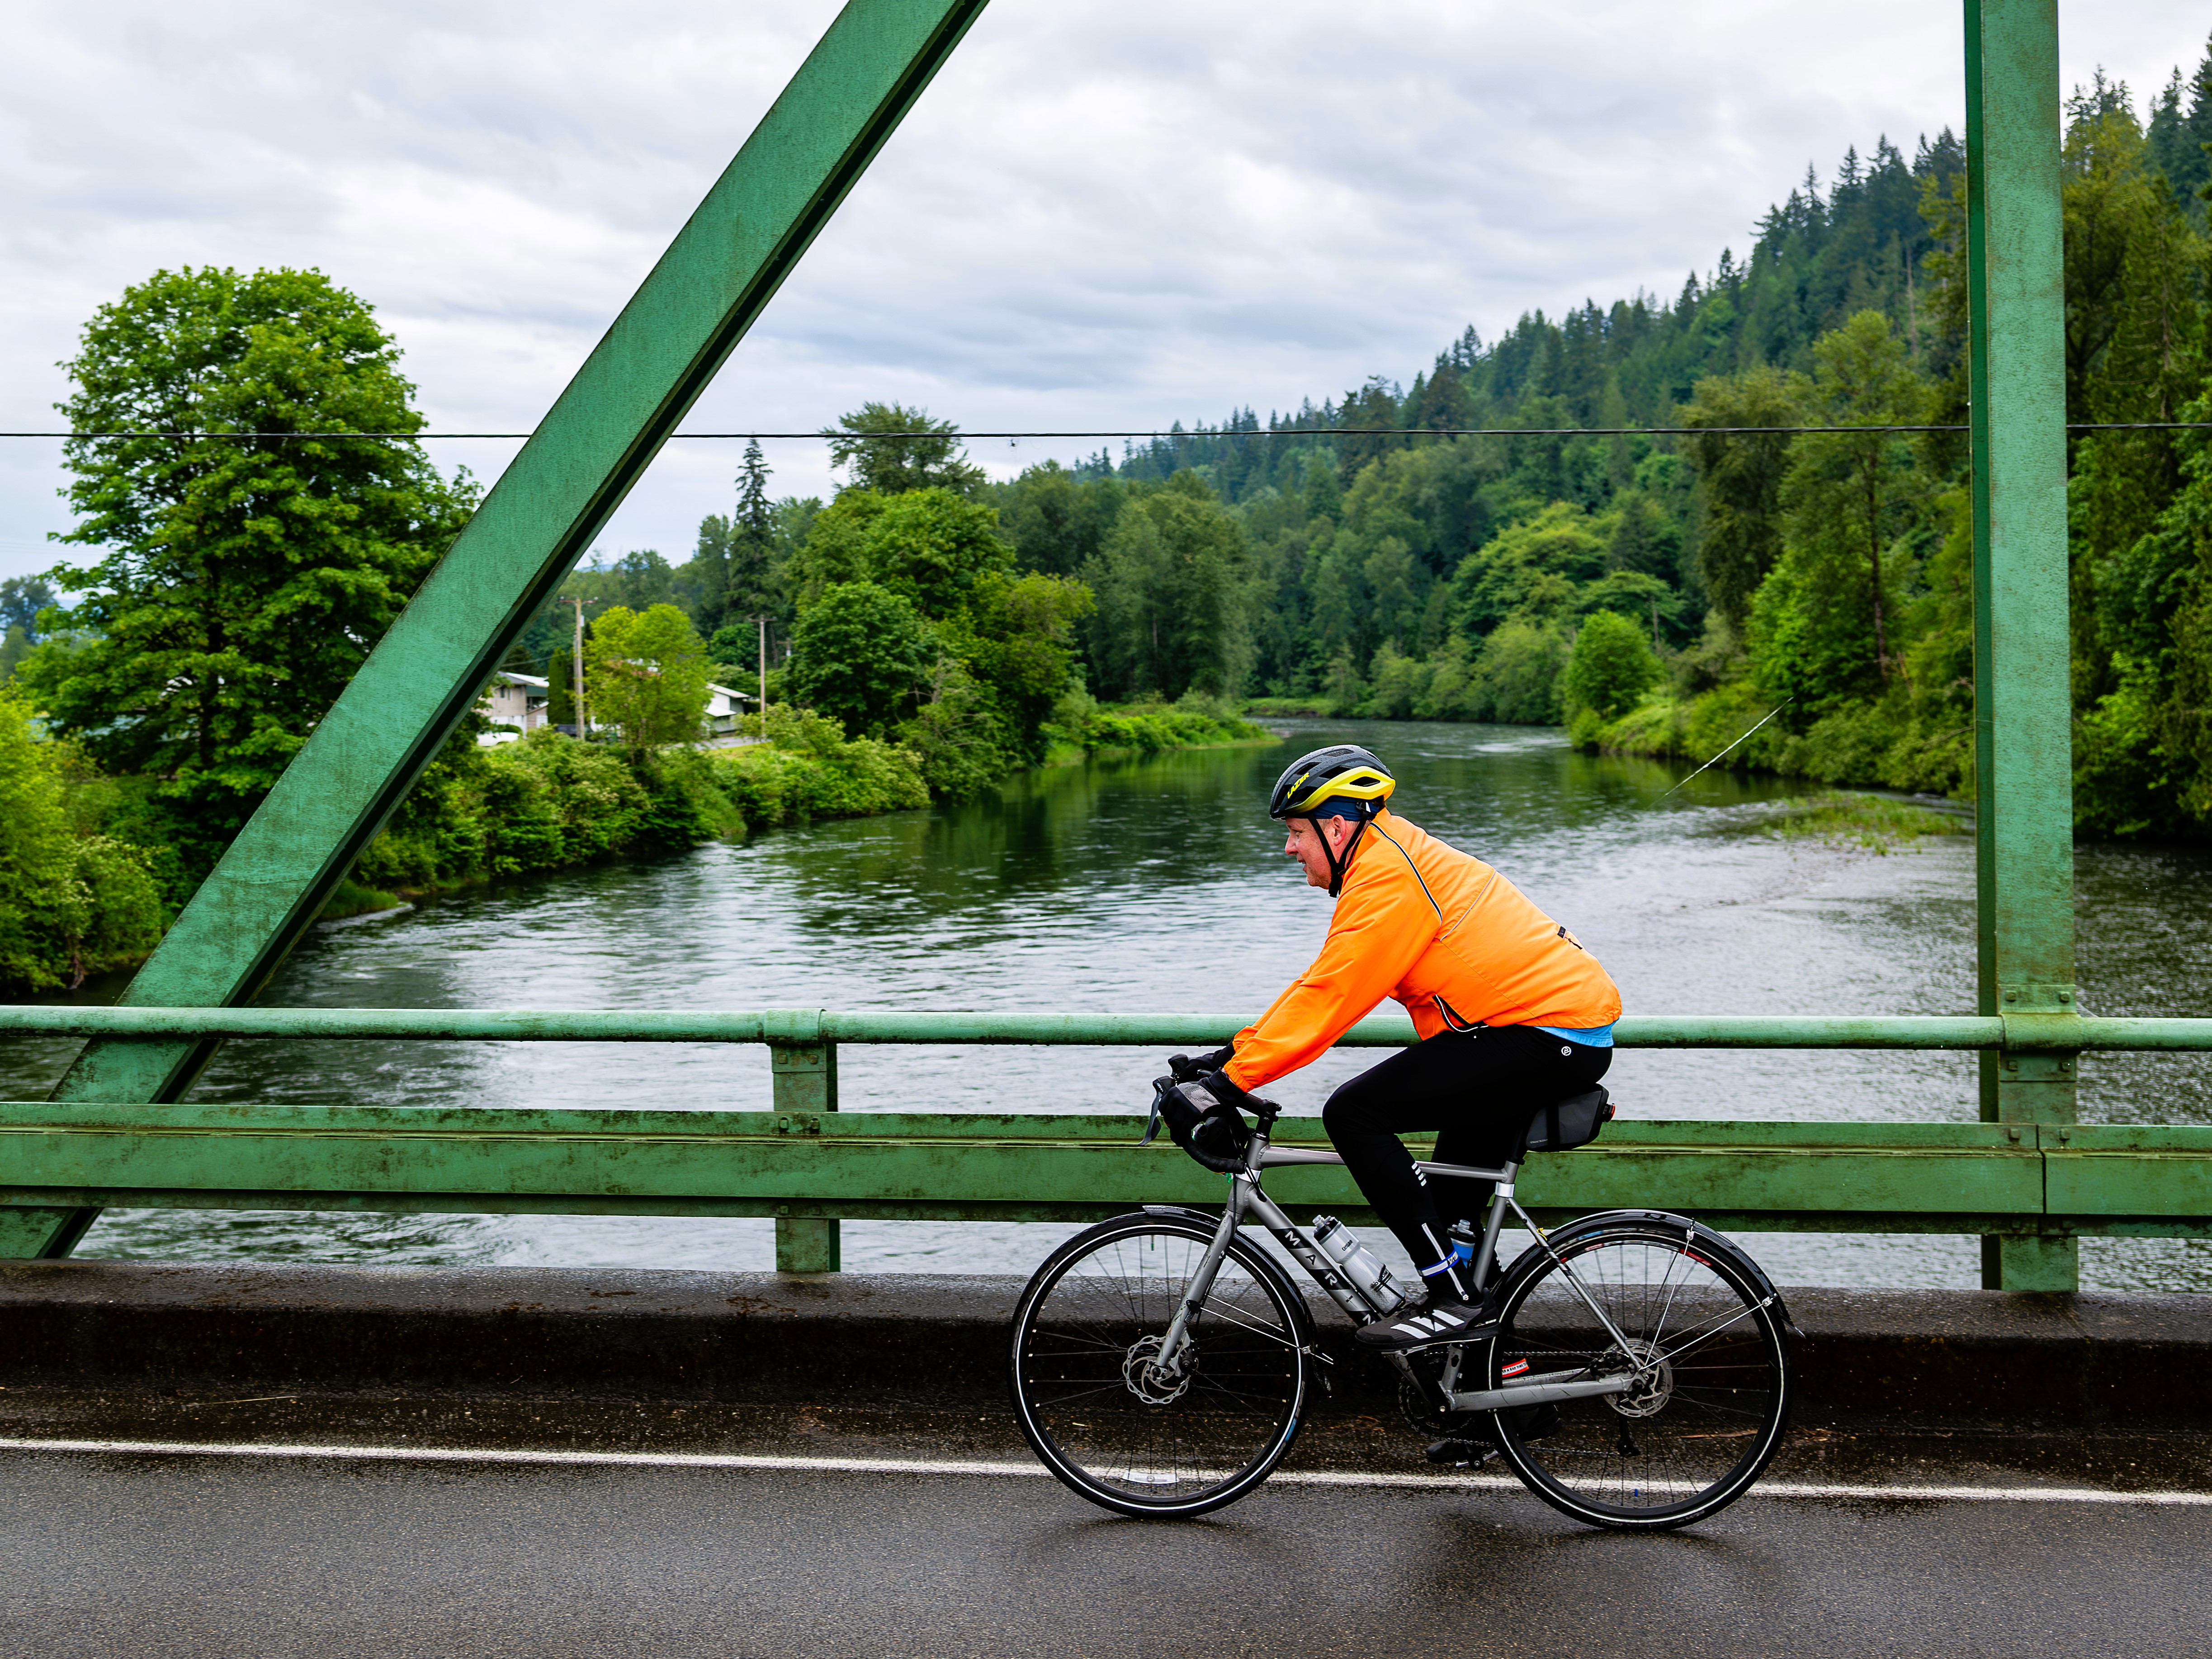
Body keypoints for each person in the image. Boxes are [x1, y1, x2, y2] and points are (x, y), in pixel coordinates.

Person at [1179, 743, 1621, 1355]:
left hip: (1545, 1034)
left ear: (1338, 827)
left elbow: (1334, 996)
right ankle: (1495, 1393)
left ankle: (1451, 1300)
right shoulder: (1385, 858)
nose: (1289, 848)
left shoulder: (1389, 875)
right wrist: (1229, 1060)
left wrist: (1227, 1085)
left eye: (1296, 832)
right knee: (1448, 1222)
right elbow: (1323, 982)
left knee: (1355, 1112)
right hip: (1540, 1032)